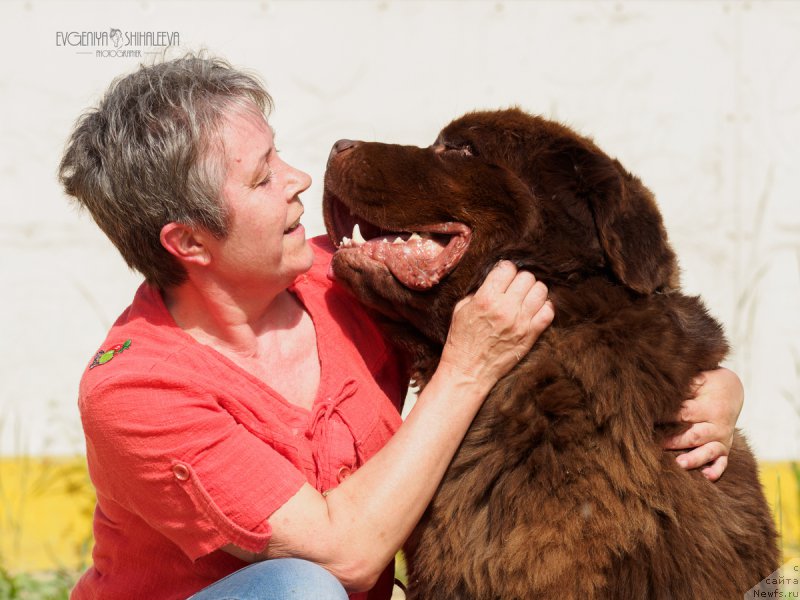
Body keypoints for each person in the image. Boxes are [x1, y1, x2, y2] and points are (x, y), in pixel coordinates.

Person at [59, 55, 745, 600]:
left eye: (281, 155)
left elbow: (581, 314)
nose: (299, 178)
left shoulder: (341, 282)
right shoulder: (137, 392)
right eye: (264, 177)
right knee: (301, 590)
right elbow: (346, 557)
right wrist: (467, 368)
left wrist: (712, 389)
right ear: (189, 244)